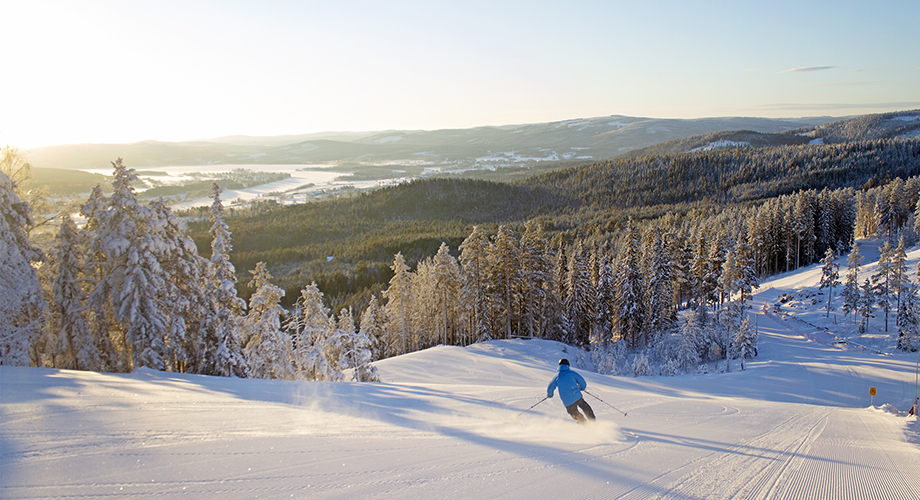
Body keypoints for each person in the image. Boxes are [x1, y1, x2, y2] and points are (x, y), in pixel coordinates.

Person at [547, 358, 595, 422]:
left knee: (574, 413)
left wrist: (550, 394)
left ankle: (583, 423)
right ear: (568, 365)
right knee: (585, 407)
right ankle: (593, 421)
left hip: (567, 401)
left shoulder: (556, 376)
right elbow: (583, 383)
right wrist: (582, 388)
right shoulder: (572, 373)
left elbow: (550, 388)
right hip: (577, 396)